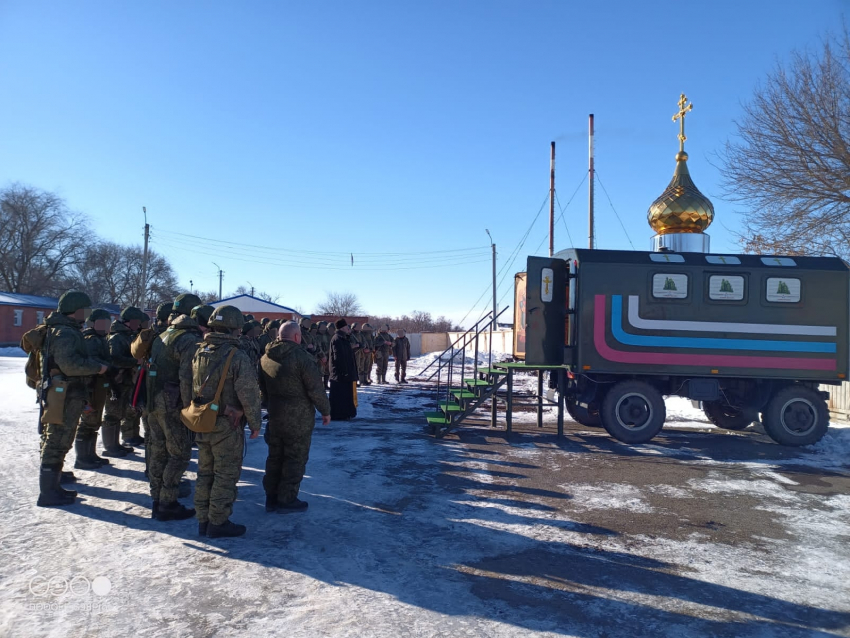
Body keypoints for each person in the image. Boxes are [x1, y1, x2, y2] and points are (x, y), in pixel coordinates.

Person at [185, 305, 262, 538]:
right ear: (235, 328)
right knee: (225, 474)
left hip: (202, 419)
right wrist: (255, 422)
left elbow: (189, 383)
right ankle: (218, 522)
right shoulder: (235, 355)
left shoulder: (200, 350)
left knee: (205, 471)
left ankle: (203, 520)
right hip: (226, 424)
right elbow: (249, 393)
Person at [35, 291, 109, 507]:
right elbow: (70, 365)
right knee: (57, 441)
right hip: (64, 394)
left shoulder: (62, 330)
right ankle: (48, 493)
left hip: (66, 393)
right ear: (76, 310)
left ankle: (53, 487)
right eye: (85, 310)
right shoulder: (65, 333)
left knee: (59, 440)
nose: (87, 315)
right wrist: (99, 367)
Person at [260, 321, 331, 513]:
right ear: (297, 337)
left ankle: (271, 498)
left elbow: (262, 389)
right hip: (298, 418)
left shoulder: (265, 357)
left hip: (274, 415)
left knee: (275, 457)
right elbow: (316, 389)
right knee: (294, 458)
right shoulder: (302, 358)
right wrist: (325, 410)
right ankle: (287, 499)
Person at [147, 292, 203, 522]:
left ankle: (157, 498)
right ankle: (167, 502)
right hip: (172, 402)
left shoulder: (165, 333)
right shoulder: (188, 338)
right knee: (178, 454)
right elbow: (187, 377)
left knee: (158, 451)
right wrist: (192, 407)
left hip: (154, 399)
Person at [73, 308, 114, 470]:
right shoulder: (90, 339)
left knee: (94, 421)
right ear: (93, 323)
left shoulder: (100, 338)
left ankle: (90, 454)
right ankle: (82, 458)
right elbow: (91, 361)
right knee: (88, 421)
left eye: (108, 323)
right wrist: (109, 366)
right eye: (103, 323)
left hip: (98, 385)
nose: (106, 326)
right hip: (89, 386)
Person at [103, 306, 146, 453]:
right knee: (113, 413)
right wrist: (135, 362)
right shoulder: (116, 338)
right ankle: (110, 446)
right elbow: (114, 359)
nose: (138, 325)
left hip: (127, 380)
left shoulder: (129, 336)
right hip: (117, 381)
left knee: (127, 410)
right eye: (136, 322)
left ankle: (129, 437)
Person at [328, 318, 358, 420]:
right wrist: (344, 371)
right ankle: (338, 415)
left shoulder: (344, 338)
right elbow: (339, 357)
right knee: (339, 396)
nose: (348, 329)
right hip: (340, 374)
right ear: (342, 328)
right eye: (346, 327)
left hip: (346, 373)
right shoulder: (337, 339)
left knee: (346, 395)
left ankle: (346, 413)